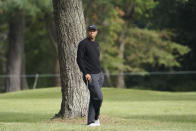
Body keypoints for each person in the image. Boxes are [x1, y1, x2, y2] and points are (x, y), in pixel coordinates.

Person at [76, 24, 104, 126]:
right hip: (90, 76)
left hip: (99, 75)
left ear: (97, 32)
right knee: (99, 97)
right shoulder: (83, 44)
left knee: (94, 98)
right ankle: (96, 118)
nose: (92, 32)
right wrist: (85, 73)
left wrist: (101, 74)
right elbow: (79, 60)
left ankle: (91, 121)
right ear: (88, 32)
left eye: (94, 30)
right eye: (90, 30)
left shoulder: (96, 44)